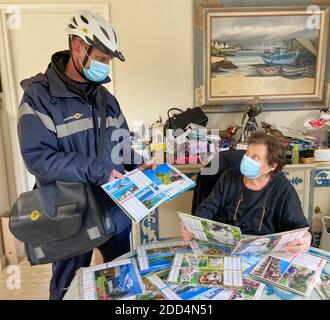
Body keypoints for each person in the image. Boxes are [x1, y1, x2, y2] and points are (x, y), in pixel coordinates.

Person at [17, 10, 154, 300]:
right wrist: (96, 169)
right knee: (67, 289)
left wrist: (137, 160)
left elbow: (121, 145)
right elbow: (38, 158)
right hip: (69, 214)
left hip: (114, 208)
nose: (105, 66)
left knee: (121, 282)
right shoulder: (38, 97)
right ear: (78, 47)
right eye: (102, 58)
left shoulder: (107, 100)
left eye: (108, 60)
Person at [181, 132, 312, 254]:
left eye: (255, 158)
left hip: (262, 253)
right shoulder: (229, 177)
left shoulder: (282, 189)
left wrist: (306, 238)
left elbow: (299, 227)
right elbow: (207, 208)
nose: (247, 160)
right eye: (247, 154)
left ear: (272, 166)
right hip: (223, 247)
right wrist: (194, 225)